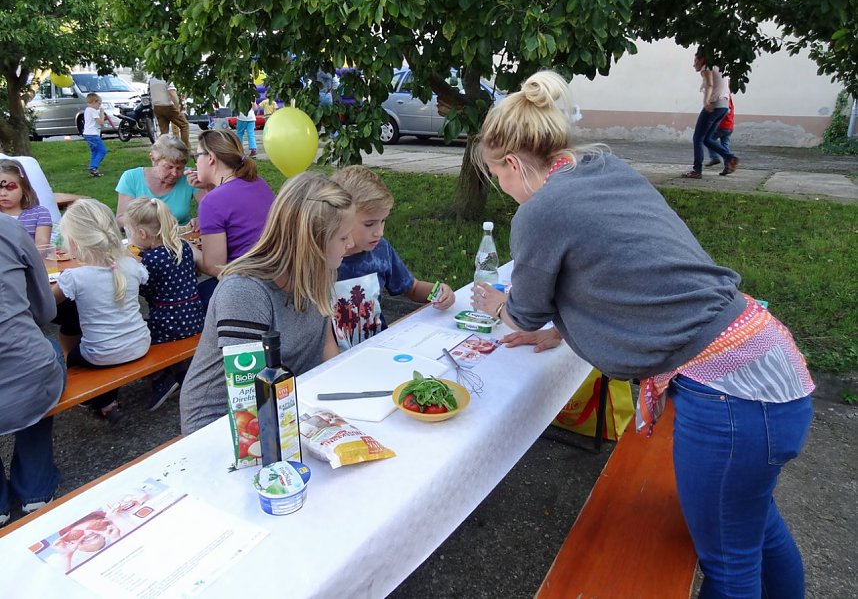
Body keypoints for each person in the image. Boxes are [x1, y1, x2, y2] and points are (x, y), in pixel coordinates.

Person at [468, 70, 815, 599]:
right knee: (756, 528)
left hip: (732, 397)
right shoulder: (603, 166)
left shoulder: (541, 209)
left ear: (513, 164)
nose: (505, 190)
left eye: (499, 178)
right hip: (768, 363)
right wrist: (565, 331)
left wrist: (498, 305)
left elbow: (523, 312)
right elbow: (625, 269)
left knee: (728, 561)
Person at [179, 172, 355, 435]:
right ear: (312, 243)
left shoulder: (320, 271)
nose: (351, 244)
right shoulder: (245, 291)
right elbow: (246, 396)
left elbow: (326, 345)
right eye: (343, 238)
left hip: (291, 404)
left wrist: (345, 400)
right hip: (225, 424)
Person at [330, 165, 455, 350]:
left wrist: (440, 292)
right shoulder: (325, 259)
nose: (379, 232)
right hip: (336, 361)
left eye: (383, 221)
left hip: (380, 348)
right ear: (341, 217)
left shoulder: (381, 250)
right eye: (369, 224)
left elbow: (412, 287)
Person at [52, 199, 150, 424]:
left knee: (72, 355)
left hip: (100, 355)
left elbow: (48, 306)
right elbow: (143, 277)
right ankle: (107, 400)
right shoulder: (131, 265)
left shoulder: (74, 277)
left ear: (74, 244)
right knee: (103, 345)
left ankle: (104, 402)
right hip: (140, 343)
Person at [0, 216, 65, 528]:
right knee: (43, 353)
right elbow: (45, 311)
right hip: (26, 373)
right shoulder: (8, 229)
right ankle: (35, 488)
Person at [124, 197, 204, 411]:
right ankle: (179, 372)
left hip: (170, 324)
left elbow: (141, 290)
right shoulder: (182, 247)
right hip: (195, 318)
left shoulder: (150, 260)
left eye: (129, 233)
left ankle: (161, 377)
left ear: (142, 234)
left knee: (132, 334)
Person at [185, 129, 275, 308]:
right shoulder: (258, 182)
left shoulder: (212, 201)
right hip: (274, 276)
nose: (196, 163)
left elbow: (215, 267)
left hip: (246, 289)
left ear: (210, 157)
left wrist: (189, 249)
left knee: (187, 300)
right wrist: (209, 187)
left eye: (197, 156)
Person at [115, 135, 202, 229]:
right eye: (169, 167)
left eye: (179, 168)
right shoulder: (131, 177)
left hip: (182, 237)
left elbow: (211, 209)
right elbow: (120, 220)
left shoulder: (189, 176)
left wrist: (200, 219)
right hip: (145, 238)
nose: (174, 173)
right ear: (154, 160)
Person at [683, 48, 739, 179]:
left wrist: (706, 101)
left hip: (714, 105)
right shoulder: (719, 67)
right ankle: (730, 157)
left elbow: (710, 85)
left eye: (695, 60)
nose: (694, 64)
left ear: (702, 59)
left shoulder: (706, 68)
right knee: (708, 139)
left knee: (698, 138)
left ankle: (697, 170)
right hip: (724, 106)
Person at [0, 159, 52, 245]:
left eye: (10, 187)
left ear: (24, 188)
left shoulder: (40, 214)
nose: (3, 194)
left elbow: (42, 245)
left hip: (31, 258)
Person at [149, 77, 190, 147]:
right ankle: (186, 149)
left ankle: (160, 151)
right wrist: (177, 107)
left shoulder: (152, 79)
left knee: (164, 132)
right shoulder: (167, 78)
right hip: (167, 106)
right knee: (184, 125)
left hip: (156, 107)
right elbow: (172, 94)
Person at [82, 93, 114, 178]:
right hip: (92, 135)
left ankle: (93, 169)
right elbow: (100, 122)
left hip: (87, 134)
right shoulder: (92, 110)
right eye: (99, 103)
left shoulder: (87, 110)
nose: (99, 106)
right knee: (102, 150)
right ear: (94, 102)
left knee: (95, 151)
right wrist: (102, 112)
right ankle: (93, 167)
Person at [706, 93, 735, 168]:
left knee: (709, 140)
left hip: (722, 125)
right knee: (725, 146)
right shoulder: (729, 99)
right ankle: (728, 166)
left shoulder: (723, 98)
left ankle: (714, 157)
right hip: (730, 126)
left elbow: (723, 111)